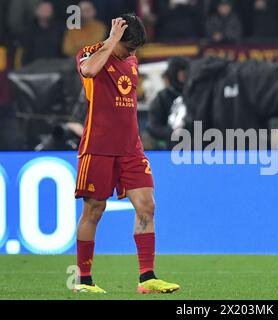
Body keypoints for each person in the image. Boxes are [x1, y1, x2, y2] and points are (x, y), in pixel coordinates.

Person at [73, 14, 180, 294]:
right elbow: (89, 71)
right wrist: (110, 41)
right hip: (98, 147)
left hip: (131, 148)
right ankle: (84, 280)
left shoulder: (131, 59)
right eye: (128, 47)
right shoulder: (91, 53)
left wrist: (122, 47)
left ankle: (147, 278)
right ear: (116, 38)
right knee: (93, 211)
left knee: (147, 206)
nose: (132, 54)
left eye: (135, 49)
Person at [147, 57, 189, 148]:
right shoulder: (162, 97)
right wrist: (172, 133)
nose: (184, 74)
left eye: (186, 71)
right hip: (168, 149)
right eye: (181, 71)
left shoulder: (195, 95)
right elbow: (153, 127)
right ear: (173, 73)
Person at [22, 1, 65, 66]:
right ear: (36, 12)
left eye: (48, 10)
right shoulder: (29, 31)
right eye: (43, 10)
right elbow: (26, 53)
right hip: (34, 66)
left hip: (56, 66)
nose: (45, 12)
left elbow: (63, 51)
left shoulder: (60, 29)